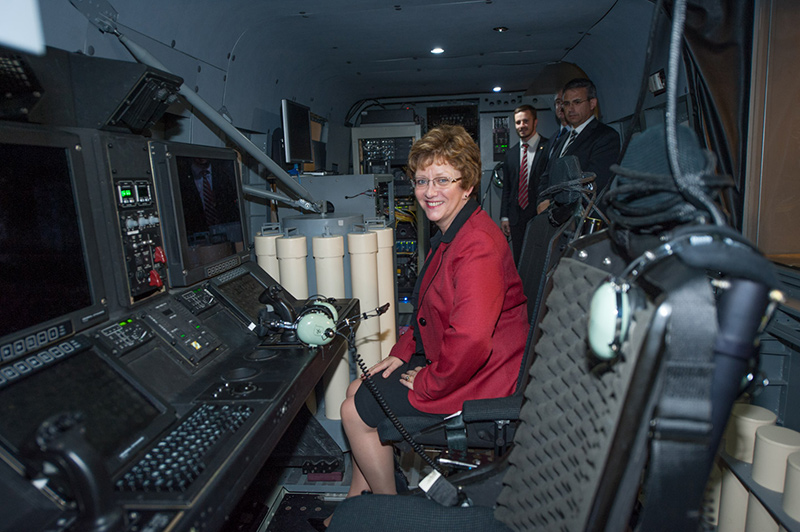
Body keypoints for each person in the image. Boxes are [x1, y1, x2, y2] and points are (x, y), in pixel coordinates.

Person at [324, 125, 528, 528]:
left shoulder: (478, 246)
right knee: (355, 389)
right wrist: (401, 353)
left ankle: (388, 510)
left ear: (467, 185)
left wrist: (427, 383)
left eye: (442, 180)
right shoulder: (453, 232)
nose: (428, 191)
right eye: (421, 181)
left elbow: (470, 340)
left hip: (481, 378)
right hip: (462, 362)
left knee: (354, 411)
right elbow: (426, 312)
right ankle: (357, 497)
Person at [537, 77, 620, 214]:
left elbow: (593, 183)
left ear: (592, 103)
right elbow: (546, 176)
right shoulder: (562, 139)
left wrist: (556, 208)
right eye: (566, 103)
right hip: (556, 221)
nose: (570, 109)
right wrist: (542, 201)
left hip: (586, 219)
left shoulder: (606, 137)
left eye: (577, 102)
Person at [500, 105, 549, 264]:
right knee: (519, 260)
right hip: (516, 216)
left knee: (539, 259)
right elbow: (507, 188)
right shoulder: (511, 154)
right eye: (518, 122)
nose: (521, 126)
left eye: (525, 121)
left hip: (539, 214)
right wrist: (504, 216)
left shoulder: (549, 148)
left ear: (535, 122)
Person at [548, 89, 571, 159]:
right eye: (558, 102)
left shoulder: (578, 134)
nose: (561, 106)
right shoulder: (552, 139)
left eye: (565, 102)